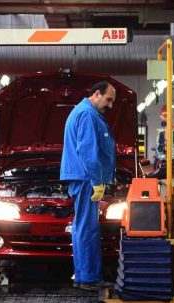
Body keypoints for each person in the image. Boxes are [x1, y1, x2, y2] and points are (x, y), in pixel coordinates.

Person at [60, 81, 116, 291]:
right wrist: (96, 181)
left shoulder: (85, 112)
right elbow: (87, 151)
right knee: (87, 228)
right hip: (86, 179)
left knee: (83, 227)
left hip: (83, 177)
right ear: (96, 94)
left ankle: (84, 276)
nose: (110, 105)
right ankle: (88, 278)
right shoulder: (87, 114)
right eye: (108, 99)